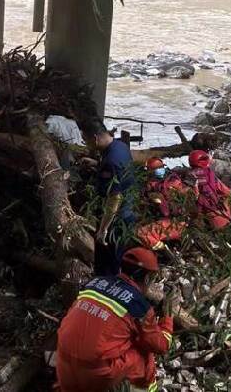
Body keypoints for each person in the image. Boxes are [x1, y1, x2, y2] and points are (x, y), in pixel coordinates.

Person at [55, 247, 174, 392]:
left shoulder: (94, 283)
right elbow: (161, 346)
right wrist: (168, 315)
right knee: (144, 352)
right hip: (95, 375)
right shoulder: (138, 306)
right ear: (148, 278)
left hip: (63, 365)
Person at [84, 118, 137, 275]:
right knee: (116, 255)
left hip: (117, 218)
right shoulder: (120, 146)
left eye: (86, 140)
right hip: (129, 209)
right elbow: (121, 173)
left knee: (108, 262)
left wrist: (103, 229)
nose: (87, 145)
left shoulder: (111, 161)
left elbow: (115, 197)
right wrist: (96, 164)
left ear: (94, 138)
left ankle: (106, 290)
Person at [136, 157, 194, 251]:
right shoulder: (172, 180)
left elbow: (166, 211)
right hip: (180, 220)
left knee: (142, 233)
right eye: (156, 169)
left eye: (160, 167)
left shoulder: (171, 183)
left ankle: (166, 252)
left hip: (175, 222)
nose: (158, 170)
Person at [188, 150, 231, 230]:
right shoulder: (209, 174)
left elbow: (193, 198)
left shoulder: (190, 176)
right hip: (219, 214)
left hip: (202, 214)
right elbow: (227, 192)